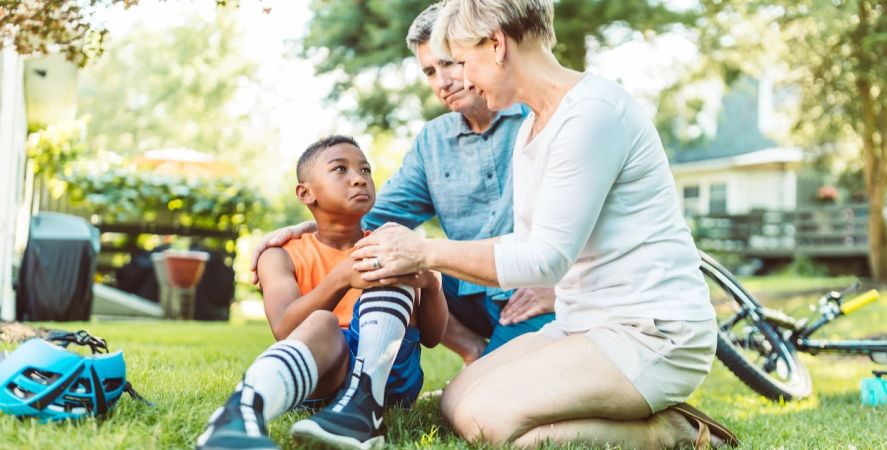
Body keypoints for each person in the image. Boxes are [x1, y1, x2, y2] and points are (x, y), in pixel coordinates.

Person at [347, 0, 741, 448]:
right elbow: (524, 241)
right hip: (583, 324)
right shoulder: (533, 128)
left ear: (496, 45)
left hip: (651, 333)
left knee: (492, 424)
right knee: (457, 399)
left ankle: (672, 432)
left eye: (462, 61)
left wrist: (427, 251)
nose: (463, 80)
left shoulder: (592, 113)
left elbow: (545, 259)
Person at [250, 4, 554, 366]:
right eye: (430, 71)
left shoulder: (539, 119)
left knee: (491, 390)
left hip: (532, 288)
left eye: (450, 63)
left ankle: (489, 365)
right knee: (395, 261)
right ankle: (473, 352)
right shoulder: (433, 140)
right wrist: (313, 226)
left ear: (481, 51)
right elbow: (375, 216)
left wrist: (563, 288)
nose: (443, 81)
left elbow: (588, 222)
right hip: (466, 289)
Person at [196, 136, 447, 450]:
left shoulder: (390, 244)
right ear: (305, 193)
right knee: (323, 323)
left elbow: (433, 337)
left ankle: (364, 407)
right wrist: (341, 278)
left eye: (365, 170)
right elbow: (285, 328)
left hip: (389, 375)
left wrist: (433, 284)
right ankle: (239, 414)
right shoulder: (281, 255)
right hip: (323, 367)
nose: (359, 178)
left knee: (390, 259)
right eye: (340, 169)